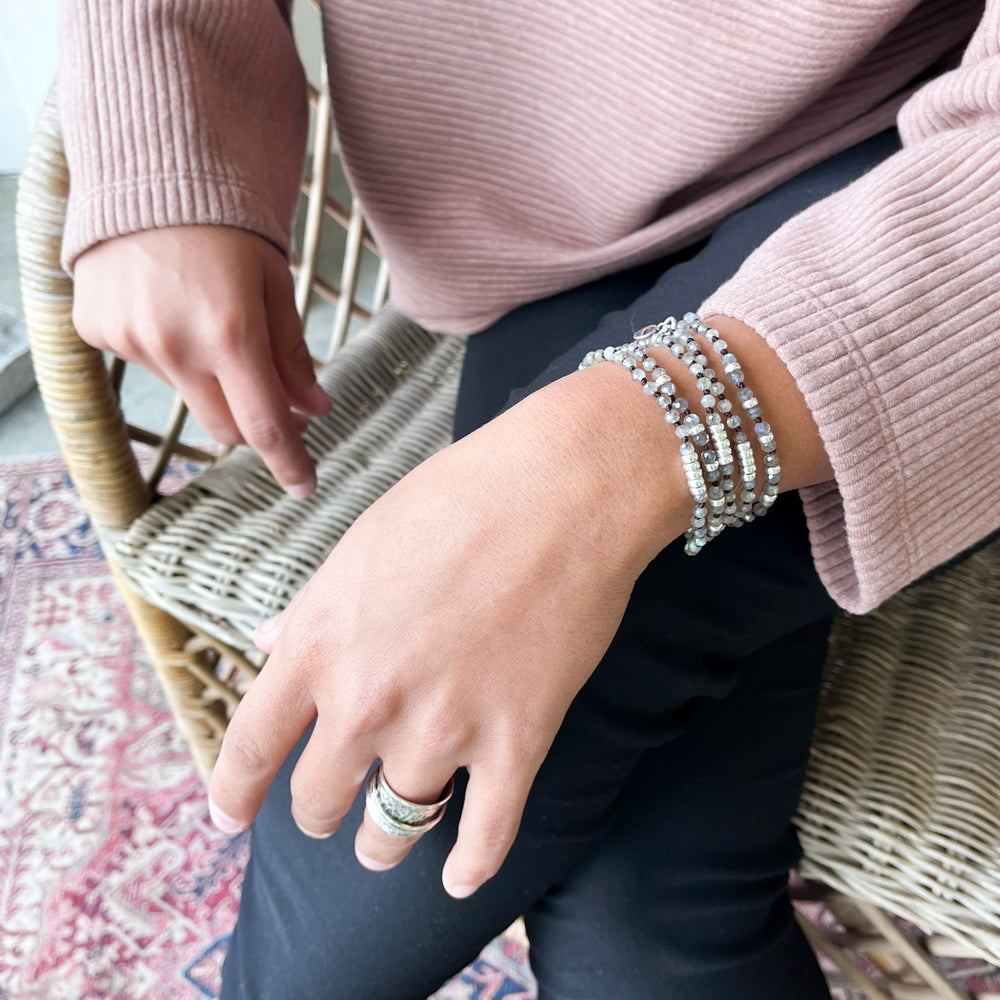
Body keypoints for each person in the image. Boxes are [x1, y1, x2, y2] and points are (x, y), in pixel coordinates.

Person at [60, 1, 1000, 997]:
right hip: (538, 210)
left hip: (923, 169)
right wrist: (157, 102)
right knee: (638, 904)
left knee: (448, 797)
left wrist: (608, 462)